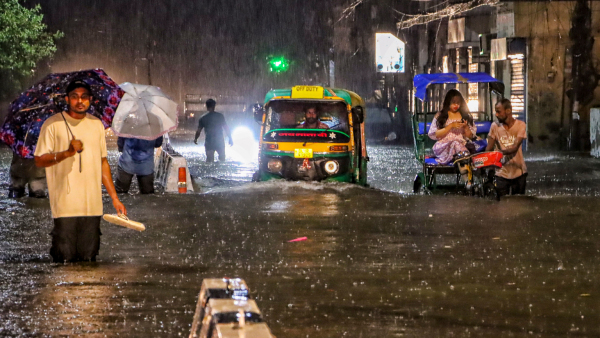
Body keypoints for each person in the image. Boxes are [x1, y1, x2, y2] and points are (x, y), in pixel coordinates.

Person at [34, 79, 126, 263]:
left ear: (90, 100)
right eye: (75, 97)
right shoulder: (52, 125)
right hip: (64, 205)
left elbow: (103, 163)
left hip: (92, 205)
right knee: (64, 258)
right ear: (67, 99)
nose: (80, 101)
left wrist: (115, 199)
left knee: (89, 258)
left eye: (84, 97)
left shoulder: (96, 125)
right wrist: (66, 153)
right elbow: (39, 160)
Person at [485, 98, 527, 196]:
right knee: (502, 206)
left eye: (499, 112)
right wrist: (484, 163)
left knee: (519, 205)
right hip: (501, 173)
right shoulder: (494, 126)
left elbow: (514, 148)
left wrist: (499, 153)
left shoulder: (520, 125)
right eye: (496, 112)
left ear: (508, 111)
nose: (496, 114)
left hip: (519, 172)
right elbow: (489, 148)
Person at [427, 89, 476, 164]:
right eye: (453, 102)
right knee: (455, 143)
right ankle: (466, 159)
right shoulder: (441, 116)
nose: (456, 105)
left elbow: (470, 136)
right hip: (444, 146)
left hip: (461, 145)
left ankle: (464, 162)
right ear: (448, 102)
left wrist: (466, 127)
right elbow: (436, 134)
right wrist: (450, 126)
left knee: (457, 144)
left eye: (458, 103)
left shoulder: (464, 116)